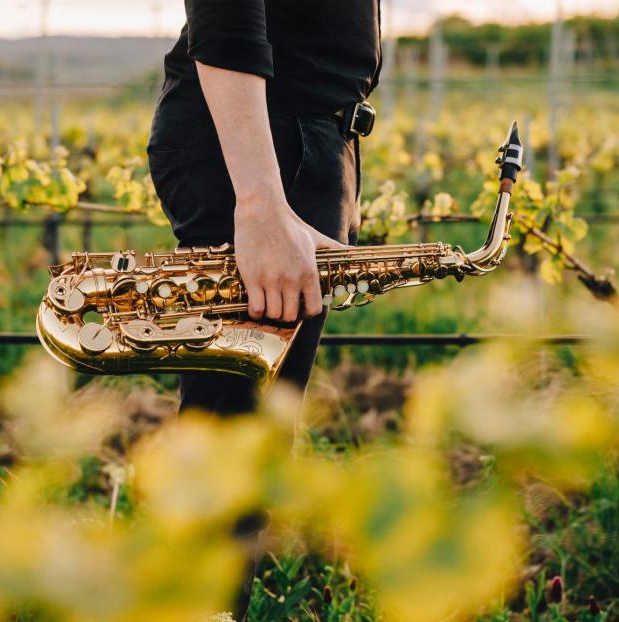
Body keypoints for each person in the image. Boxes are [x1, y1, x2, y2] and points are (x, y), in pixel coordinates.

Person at [147, 2, 382, 618]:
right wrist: (258, 200)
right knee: (234, 446)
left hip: (299, 140)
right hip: (269, 147)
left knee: (251, 445)